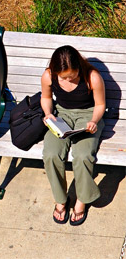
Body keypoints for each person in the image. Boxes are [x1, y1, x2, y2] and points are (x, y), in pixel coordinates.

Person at [40, 45, 106, 226]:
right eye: (64, 77)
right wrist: (48, 113)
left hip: (88, 115)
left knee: (83, 155)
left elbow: (100, 104)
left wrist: (94, 120)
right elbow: (46, 98)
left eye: (73, 75)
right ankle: (61, 199)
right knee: (51, 154)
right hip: (62, 115)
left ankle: (82, 200)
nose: (69, 79)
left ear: (79, 67)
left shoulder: (92, 76)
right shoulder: (48, 76)